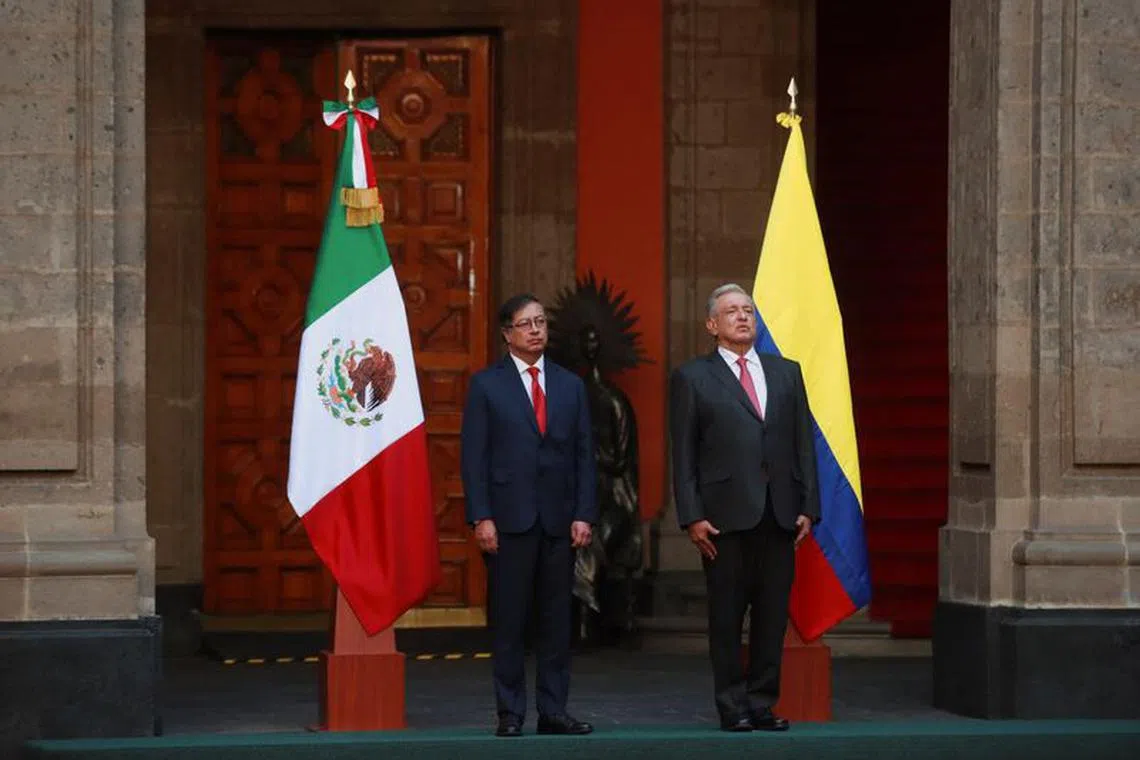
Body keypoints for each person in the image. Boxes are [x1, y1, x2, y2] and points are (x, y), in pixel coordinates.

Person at [669, 283, 820, 732]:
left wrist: (808, 507)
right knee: (728, 617)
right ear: (712, 325)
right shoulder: (692, 378)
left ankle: (761, 703)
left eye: (748, 311)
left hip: (779, 514)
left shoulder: (786, 372)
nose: (742, 317)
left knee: (771, 617)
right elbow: (684, 454)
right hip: (722, 519)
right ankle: (731, 705)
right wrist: (692, 515)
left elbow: (803, 447)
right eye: (731, 312)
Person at [460, 293, 597, 737]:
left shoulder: (570, 385)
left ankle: (554, 712)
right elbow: (474, 458)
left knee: (557, 624)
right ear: (507, 333)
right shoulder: (486, 385)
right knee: (511, 622)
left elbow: (583, 456)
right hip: (508, 520)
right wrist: (481, 516)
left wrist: (584, 513)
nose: (536, 330)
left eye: (541, 322)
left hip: (559, 521)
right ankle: (511, 712)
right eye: (526, 323)